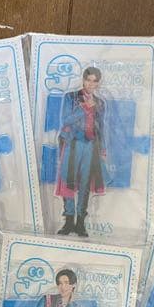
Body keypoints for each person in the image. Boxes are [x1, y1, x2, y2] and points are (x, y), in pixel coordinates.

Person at [55, 67, 107, 238]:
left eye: (94, 81)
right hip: (72, 143)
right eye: (88, 80)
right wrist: (84, 107)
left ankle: (80, 223)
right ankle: (69, 221)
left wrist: (103, 148)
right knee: (68, 181)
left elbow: (101, 127)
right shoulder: (71, 97)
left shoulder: (100, 103)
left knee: (85, 183)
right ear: (83, 80)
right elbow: (65, 120)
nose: (91, 84)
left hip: (91, 145)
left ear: (98, 83)